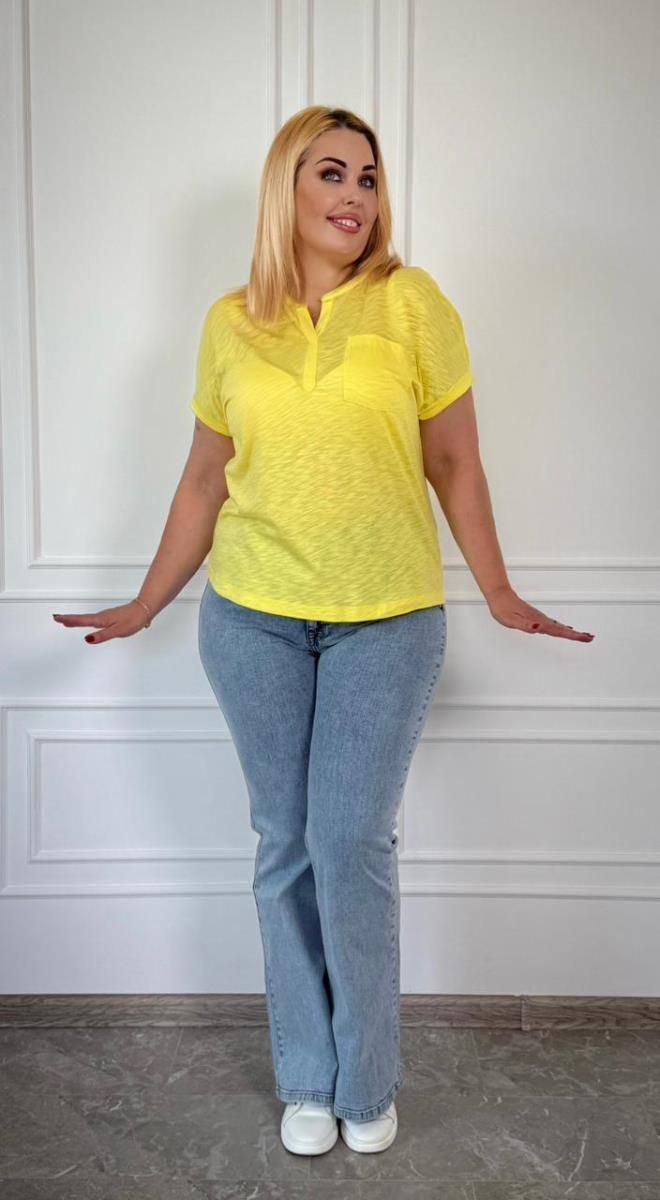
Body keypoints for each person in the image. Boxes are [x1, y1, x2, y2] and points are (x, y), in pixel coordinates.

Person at [52, 105, 596, 1158]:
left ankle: (366, 1080)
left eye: (369, 178)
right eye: (332, 173)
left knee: (350, 841)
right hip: (251, 616)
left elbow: (454, 461)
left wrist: (497, 589)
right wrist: (147, 601)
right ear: (286, 191)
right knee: (285, 844)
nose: (355, 196)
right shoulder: (230, 323)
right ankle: (306, 1074)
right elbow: (205, 478)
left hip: (385, 618)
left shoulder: (412, 303)